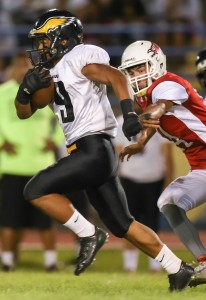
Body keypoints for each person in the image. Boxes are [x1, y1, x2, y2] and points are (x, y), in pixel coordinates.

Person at [14, 9, 195, 291]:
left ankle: (89, 234)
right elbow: (25, 112)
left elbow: (114, 76)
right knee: (123, 225)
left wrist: (129, 113)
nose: (40, 47)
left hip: (93, 149)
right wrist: (24, 93)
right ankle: (177, 268)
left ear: (63, 39)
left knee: (35, 190)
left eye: (44, 40)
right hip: (93, 153)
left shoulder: (78, 57)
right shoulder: (52, 71)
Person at [118, 39, 206, 287]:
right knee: (168, 202)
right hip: (202, 167)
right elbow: (154, 120)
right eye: (132, 71)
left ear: (156, 64)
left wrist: (139, 119)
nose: (136, 75)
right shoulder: (148, 97)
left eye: (140, 68)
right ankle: (204, 261)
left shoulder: (167, 83)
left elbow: (159, 109)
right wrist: (142, 142)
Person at [0, 52, 62, 272]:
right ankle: (7, 262)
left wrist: (55, 141)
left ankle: (51, 262)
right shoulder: (2, 93)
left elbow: (65, 118)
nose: (21, 70)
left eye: (25, 66)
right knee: (9, 220)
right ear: (11, 69)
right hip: (11, 166)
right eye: (17, 66)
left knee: (45, 220)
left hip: (41, 165)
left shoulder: (43, 92)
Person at [114, 114, 173, 273]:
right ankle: (130, 265)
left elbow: (166, 153)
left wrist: (169, 180)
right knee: (128, 224)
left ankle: (155, 264)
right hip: (130, 178)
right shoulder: (120, 122)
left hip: (153, 178)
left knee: (152, 222)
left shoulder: (156, 121)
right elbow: (118, 153)